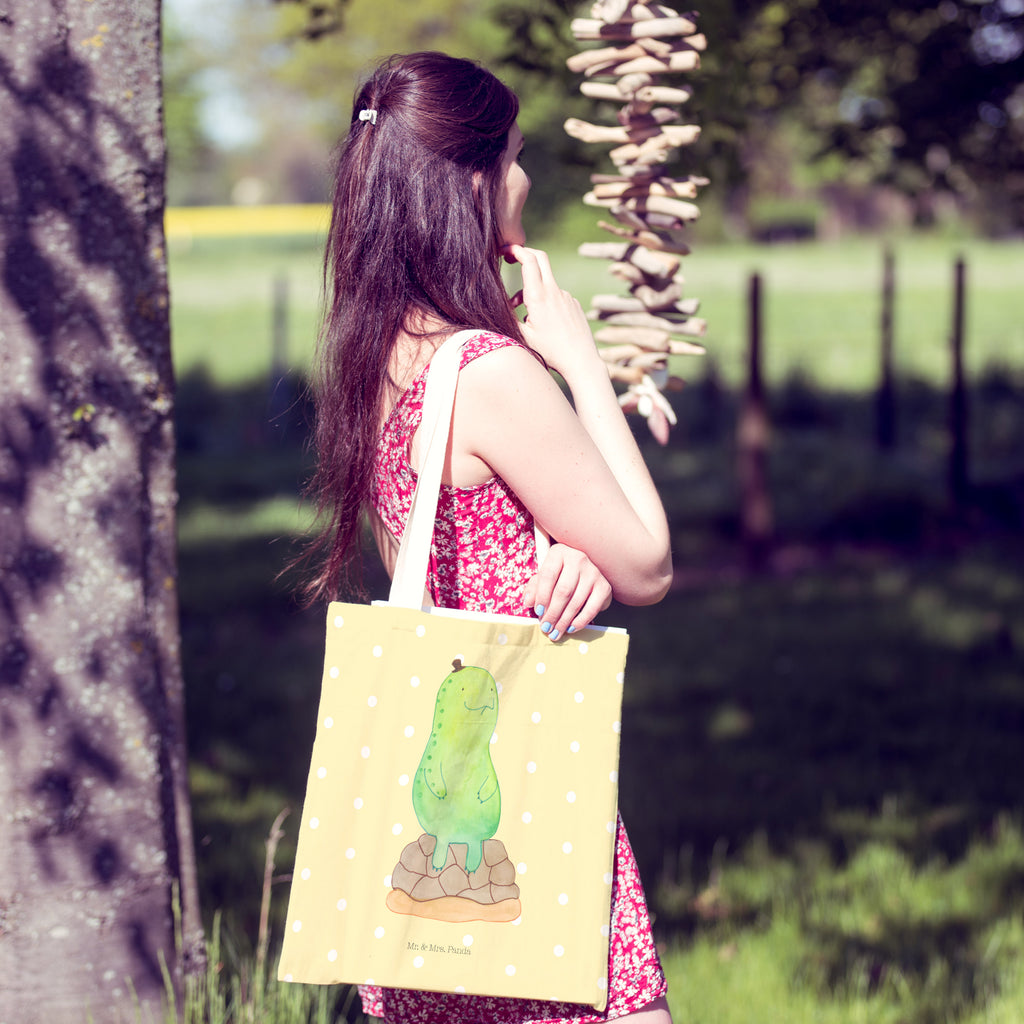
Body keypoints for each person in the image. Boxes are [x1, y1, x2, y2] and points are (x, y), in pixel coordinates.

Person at [301, 51, 674, 1024]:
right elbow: (647, 561)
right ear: (468, 180)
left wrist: (556, 555)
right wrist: (582, 364)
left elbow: (436, 560)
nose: (525, 178)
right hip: (531, 803)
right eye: (511, 156)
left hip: (419, 847)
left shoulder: (377, 354)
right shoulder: (491, 372)